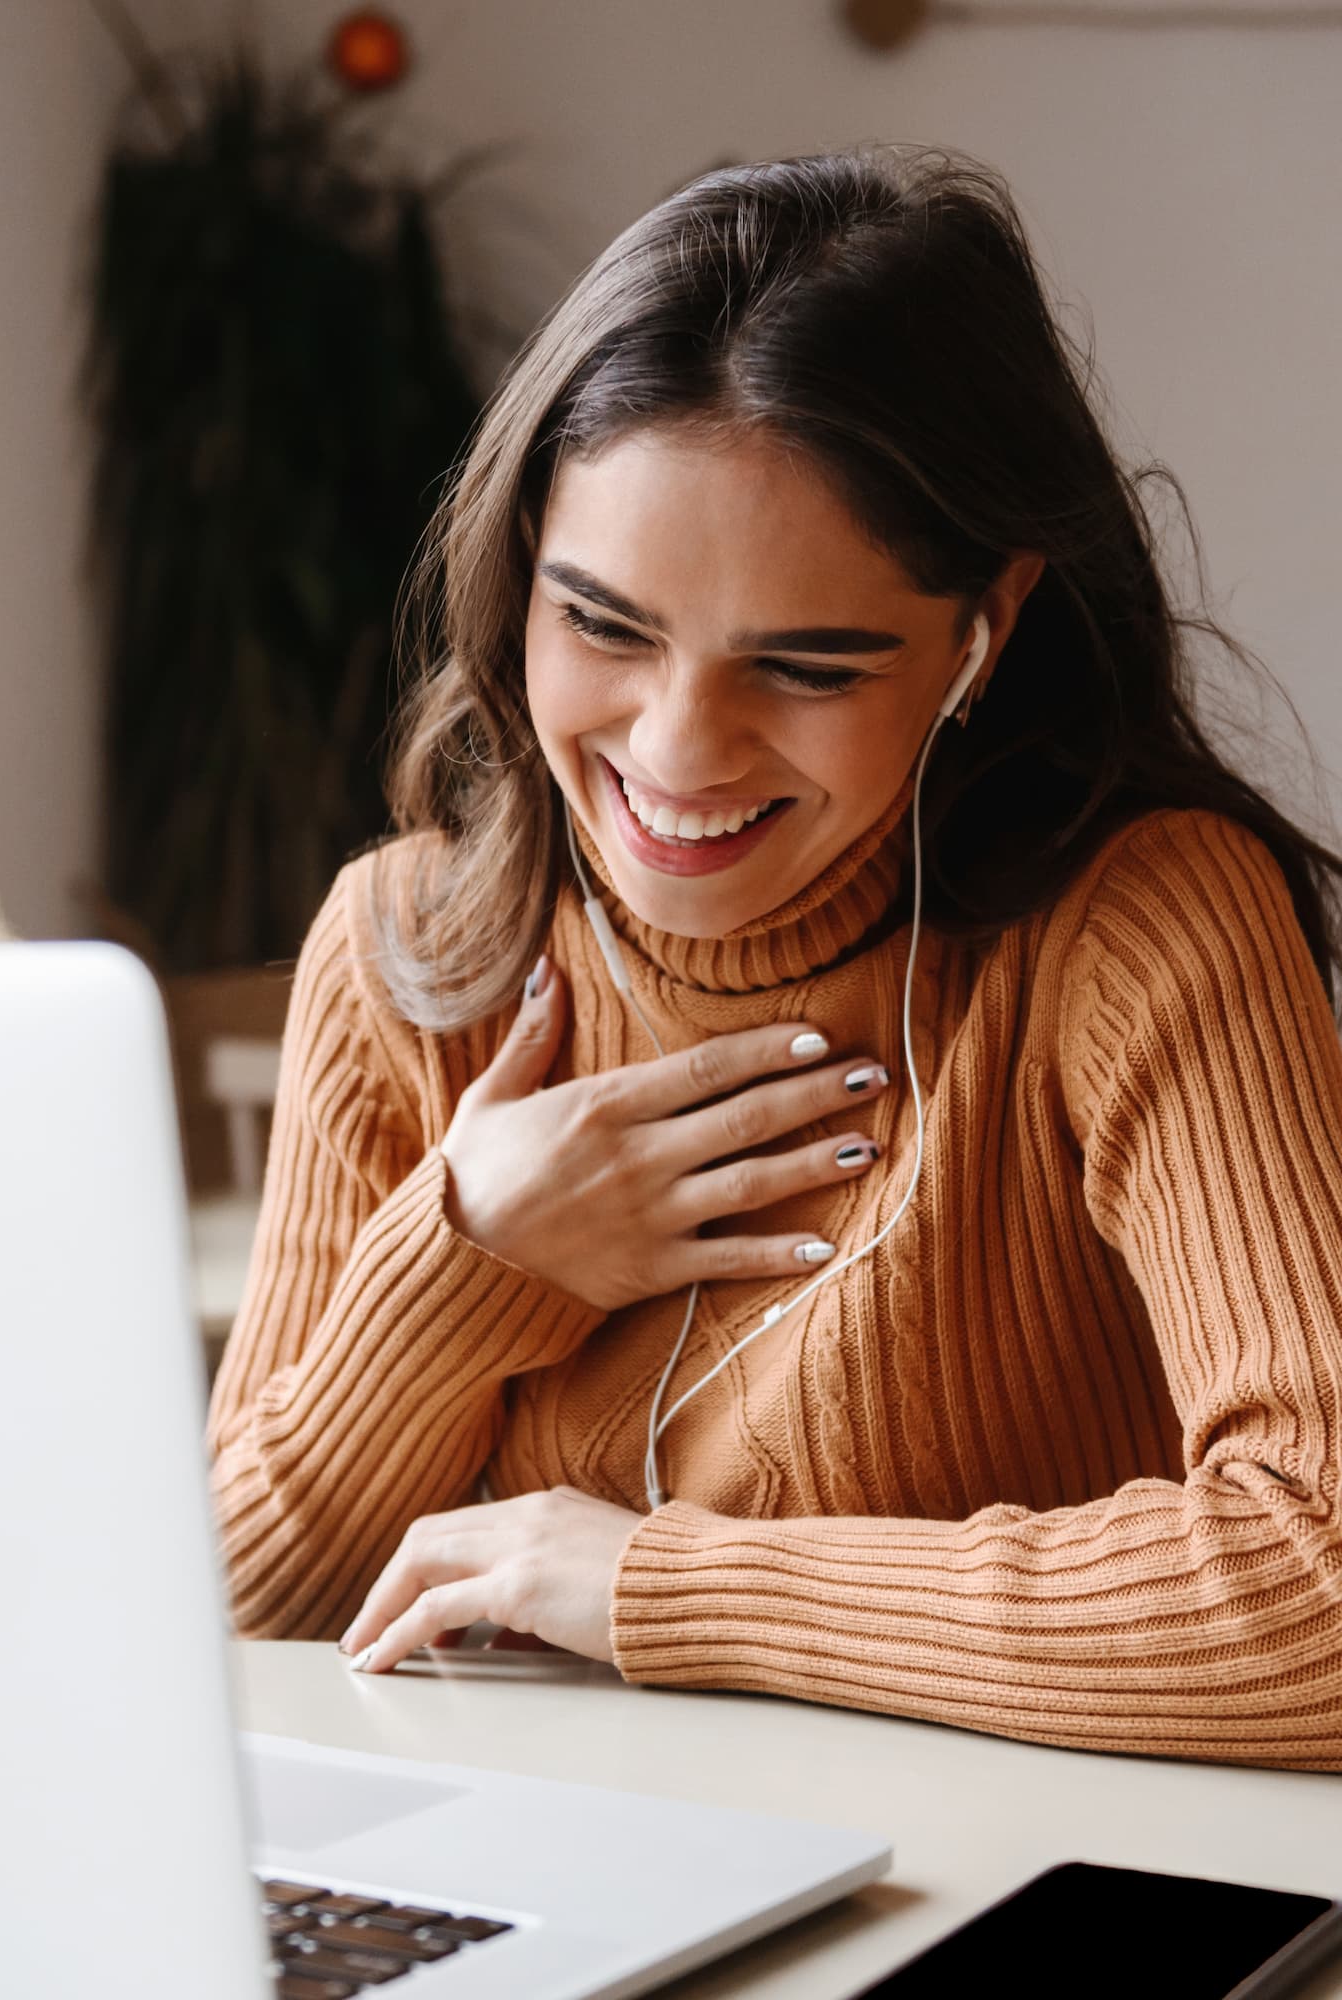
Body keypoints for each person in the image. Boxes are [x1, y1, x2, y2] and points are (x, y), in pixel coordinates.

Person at [204, 146, 1342, 1769]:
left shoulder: (1141, 926)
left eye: (804, 666)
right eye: (601, 623)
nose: (677, 754)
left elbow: (1325, 1589)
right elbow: (230, 1615)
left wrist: (665, 1589)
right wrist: (469, 1264)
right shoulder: (410, 948)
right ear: (520, 560)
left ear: (981, 633)